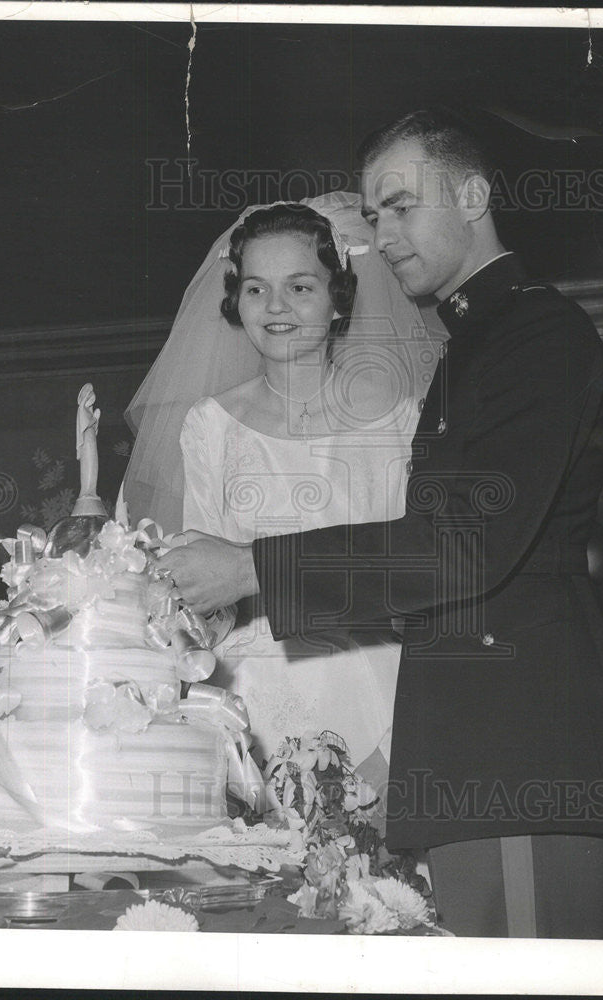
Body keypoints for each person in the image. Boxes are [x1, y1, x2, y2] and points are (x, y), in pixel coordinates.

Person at [158, 109, 603, 938]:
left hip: (516, 751)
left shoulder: (536, 335)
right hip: (468, 752)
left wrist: (248, 569)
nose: (384, 233)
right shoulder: (477, 341)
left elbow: (464, 546)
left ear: (474, 194)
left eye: (401, 205)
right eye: (374, 216)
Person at [124, 195, 443, 781]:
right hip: (252, 691)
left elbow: (421, 560)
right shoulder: (209, 424)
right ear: (236, 299)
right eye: (255, 288)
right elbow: (202, 588)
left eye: (300, 287)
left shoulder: (401, 417)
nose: (275, 307)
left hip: (376, 677)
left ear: (338, 298)